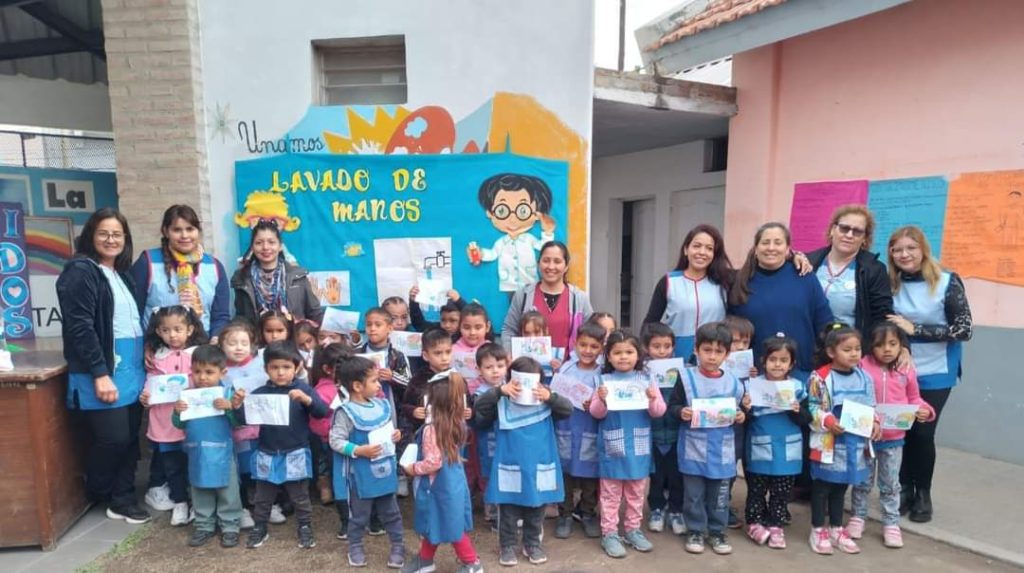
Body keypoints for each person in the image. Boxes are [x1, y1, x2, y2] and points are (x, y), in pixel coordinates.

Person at [58, 208, 150, 524]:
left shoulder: (122, 274)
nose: (111, 240)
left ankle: (123, 498)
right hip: (102, 370)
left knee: (129, 438)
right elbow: (80, 326)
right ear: (90, 236)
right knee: (113, 438)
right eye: (103, 233)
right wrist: (100, 373)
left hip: (132, 368)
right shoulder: (81, 271)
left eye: (117, 234)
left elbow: (131, 322)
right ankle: (97, 488)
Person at [886, 225, 972, 524]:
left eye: (910, 248)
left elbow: (964, 330)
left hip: (937, 370)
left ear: (923, 249)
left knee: (923, 432)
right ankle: (905, 490)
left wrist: (916, 330)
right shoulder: (890, 284)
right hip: (898, 369)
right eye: (897, 250)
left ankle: (923, 493)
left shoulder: (947, 281)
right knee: (902, 430)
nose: (904, 254)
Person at [475, 357, 572, 566]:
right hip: (510, 463)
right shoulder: (502, 401)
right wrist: (500, 391)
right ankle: (507, 545)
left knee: (537, 507)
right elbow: (480, 408)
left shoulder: (545, 400)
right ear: (511, 379)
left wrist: (551, 396)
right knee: (509, 509)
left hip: (540, 464)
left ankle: (532, 544)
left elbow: (567, 410)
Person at [236, 342, 329, 550]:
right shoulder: (260, 392)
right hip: (267, 451)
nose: (280, 372)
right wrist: (238, 405)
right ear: (266, 369)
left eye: (286, 367)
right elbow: (244, 419)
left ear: (296, 368)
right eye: (274, 367)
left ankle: (304, 526)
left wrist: (306, 400)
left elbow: (322, 412)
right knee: (263, 495)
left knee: (299, 494)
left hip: (295, 450)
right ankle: (260, 526)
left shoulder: (302, 389)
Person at [850, 322, 935, 549]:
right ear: (870, 346)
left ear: (900, 346)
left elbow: (914, 398)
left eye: (893, 344)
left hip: (894, 440)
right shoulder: (861, 366)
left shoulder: (906, 369)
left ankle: (891, 524)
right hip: (865, 437)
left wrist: (924, 410)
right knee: (861, 481)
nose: (887, 349)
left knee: (890, 484)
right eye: (880, 345)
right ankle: (858, 517)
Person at [668, 322, 748, 556]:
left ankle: (717, 531)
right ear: (696, 349)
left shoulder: (734, 382)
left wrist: (742, 415)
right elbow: (673, 405)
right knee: (693, 495)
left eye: (718, 351)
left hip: (722, 451)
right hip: (693, 449)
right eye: (707, 350)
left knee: (719, 496)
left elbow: (741, 410)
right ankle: (695, 530)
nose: (712, 357)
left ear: (727, 354)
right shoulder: (685, 378)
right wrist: (680, 412)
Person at [590, 330, 666, 558]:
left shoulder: (646, 380)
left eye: (629, 352)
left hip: (639, 447)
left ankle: (633, 529)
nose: (624, 357)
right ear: (609, 356)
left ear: (638, 354)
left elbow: (658, 412)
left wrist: (653, 398)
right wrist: (602, 399)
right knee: (610, 495)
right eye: (617, 352)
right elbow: (596, 413)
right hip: (612, 447)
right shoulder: (603, 381)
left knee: (636, 493)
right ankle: (610, 533)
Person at [806, 324, 881, 556]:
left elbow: (870, 405)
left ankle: (837, 528)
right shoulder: (820, 378)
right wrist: (827, 420)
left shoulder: (864, 377)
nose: (854, 354)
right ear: (831, 352)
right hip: (828, 441)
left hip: (853, 443)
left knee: (841, 486)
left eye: (857, 349)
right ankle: (818, 529)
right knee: (822, 486)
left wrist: (875, 422)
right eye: (847, 349)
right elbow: (813, 406)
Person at [729, 222, 835, 380]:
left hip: (800, 372)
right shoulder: (740, 281)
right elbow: (731, 330)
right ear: (756, 248)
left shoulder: (805, 277)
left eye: (778, 242)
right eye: (765, 242)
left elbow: (824, 324)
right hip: (755, 375)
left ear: (787, 249)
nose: (771, 248)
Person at [400, 372, 483, 573]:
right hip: (454, 483)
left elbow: (433, 462)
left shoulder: (432, 429)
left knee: (452, 527)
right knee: (435, 522)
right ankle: (425, 559)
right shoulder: (457, 424)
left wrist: (413, 468)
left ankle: (472, 562)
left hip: (438, 487)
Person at [329, 353, 405, 568]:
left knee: (391, 512)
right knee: (359, 515)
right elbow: (335, 441)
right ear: (357, 386)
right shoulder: (345, 412)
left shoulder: (381, 405)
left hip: (385, 471)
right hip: (359, 475)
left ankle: (398, 545)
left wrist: (395, 435)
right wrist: (358, 450)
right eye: (373, 380)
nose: (378, 383)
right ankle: (355, 545)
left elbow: (387, 430)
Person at [139, 305, 208, 525]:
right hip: (164, 421)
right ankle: (180, 502)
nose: (173, 335)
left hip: (192, 419)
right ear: (158, 332)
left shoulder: (198, 354)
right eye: (166, 330)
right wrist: (145, 395)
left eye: (178, 329)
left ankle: (198, 503)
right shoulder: (157, 357)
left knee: (195, 461)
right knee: (172, 464)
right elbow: (150, 381)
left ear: (190, 329)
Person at [171, 345, 245, 548]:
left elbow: (239, 423)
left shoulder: (227, 394)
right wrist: (177, 412)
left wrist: (231, 408)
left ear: (223, 372)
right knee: (199, 487)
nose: (202, 377)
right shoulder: (187, 395)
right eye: (197, 372)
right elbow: (179, 424)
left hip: (222, 450)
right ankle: (204, 525)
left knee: (227, 489)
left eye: (209, 372)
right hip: (196, 451)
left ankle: (230, 526)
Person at [743, 335, 806, 550]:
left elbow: (807, 418)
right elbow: (745, 419)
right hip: (760, 444)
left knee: (781, 491)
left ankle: (776, 525)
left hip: (788, 447)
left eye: (783, 360)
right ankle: (754, 522)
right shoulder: (753, 386)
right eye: (773, 359)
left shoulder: (797, 387)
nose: (777, 364)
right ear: (763, 361)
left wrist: (798, 411)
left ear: (792, 363)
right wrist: (747, 408)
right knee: (756, 489)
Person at [131, 204, 231, 337]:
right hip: (158, 350)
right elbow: (134, 312)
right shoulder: (147, 262)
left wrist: (215, 339)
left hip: (202, 350)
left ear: (198, 231)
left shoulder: (214, 266)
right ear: (166, 232)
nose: (185, 235)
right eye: (177, 230)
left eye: (190, 229)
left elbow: (221, 316)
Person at [643, 225, 732, 359]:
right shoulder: (669, 282)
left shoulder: (724, 282)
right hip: (675, 356)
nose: (702, 252)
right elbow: (650, 322)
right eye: (696, 246)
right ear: (686, 249)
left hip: (713, 355)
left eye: (709, 248)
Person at [806, 205, 893, 338]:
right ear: (832, 230)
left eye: (857, 231)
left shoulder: (874, 270)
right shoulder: (808, 261)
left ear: (864, 238)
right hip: (808, 345)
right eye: (844, 228)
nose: (849, 235)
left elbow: (882, 317)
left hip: (849, 350)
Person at [553, 322, 605, 540]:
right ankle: (564, 514)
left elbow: (605, 402)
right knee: (565, 472)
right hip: (566, 427)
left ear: (601, 348)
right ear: (575, 344)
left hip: (590, 428)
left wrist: (594, 403)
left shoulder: (603, 373)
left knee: (590, 475)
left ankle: (587, 513)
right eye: (583, 345)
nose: (587, 350)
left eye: (594, 346)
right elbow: (555, 394)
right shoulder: (565, 368)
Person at [501, 241, 593, 358]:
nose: (551, 266)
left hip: (568, 371)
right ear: (538, 264)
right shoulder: (523, 295)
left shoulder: (579, 298)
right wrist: (510, 356)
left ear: (566, 266)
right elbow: (509, 330)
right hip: (529, 371)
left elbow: (591, 334)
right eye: (546, 260)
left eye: (557, 261)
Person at [469, 173, 556, 293]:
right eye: (502, 210)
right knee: (515, 309)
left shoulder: (529, 239)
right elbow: (493, 254)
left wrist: (548, 232)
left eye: (523, 210)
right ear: (490, 213)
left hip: (529, 282)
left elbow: (543, 247)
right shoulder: (501, 242)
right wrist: (480, 254)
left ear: (536, 213)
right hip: (509, 284)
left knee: (530, 309)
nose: (512, 218)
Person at [231, 219, 324, 325]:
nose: (265, 247)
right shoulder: (242, 278)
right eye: (259, 243)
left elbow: (315, 312)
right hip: (257, 339)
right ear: (252, 247)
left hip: (293, 338)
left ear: (280, 246)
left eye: (271, 242)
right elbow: (241, 317)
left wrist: (338, 325)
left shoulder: (298, 276)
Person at [218, 319, 264, 529]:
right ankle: (244, 507)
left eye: (244, 343)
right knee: (242, 468)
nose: (238, 348)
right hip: (235, 430)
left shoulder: (260, 364)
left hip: (260, 427)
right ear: (221, 345)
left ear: (252, 344)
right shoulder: (219, 372)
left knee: (259, 465)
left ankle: (264, 505)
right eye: (232, 343)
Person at [642, 322, 686, 536]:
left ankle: (677, 510)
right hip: (653, 434)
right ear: (646, 348)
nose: (662, 351)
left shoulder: (683, 371)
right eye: (656, 346)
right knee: (656, 476)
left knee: (677, 476)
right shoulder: (641, 373)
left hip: (678, 433)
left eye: (667, 346)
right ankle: (657, 509)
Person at [471, 342, 509, 523]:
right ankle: (493, 514)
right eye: (489, 367)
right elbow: (480, 420)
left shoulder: (512, 387)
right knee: (490, 475)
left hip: (507, 441)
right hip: (488, 441)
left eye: (500, 366)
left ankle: (508, 512)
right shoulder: (479, 393)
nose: (495, 371)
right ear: (479, 370)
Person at [308, 343, 349, 506]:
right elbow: (316, 420)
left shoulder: (354, 384)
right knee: (326, 463)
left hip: (349, 438)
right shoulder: (322, 391)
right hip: (328, 438)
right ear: (327, 369)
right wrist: (330, 432)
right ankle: (325, 486)